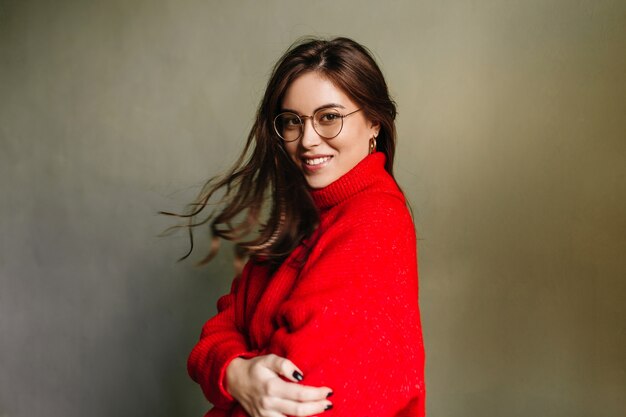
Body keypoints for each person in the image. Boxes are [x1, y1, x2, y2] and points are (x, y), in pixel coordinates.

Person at [181, 37, 425, 417]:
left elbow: (296, 399)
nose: (307, 141)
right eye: (293, 121)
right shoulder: (299, 217)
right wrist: (236, 373)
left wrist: (237, 375)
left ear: (374, 121)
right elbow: (218, 329)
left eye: (329, 117)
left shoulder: (373, 221)